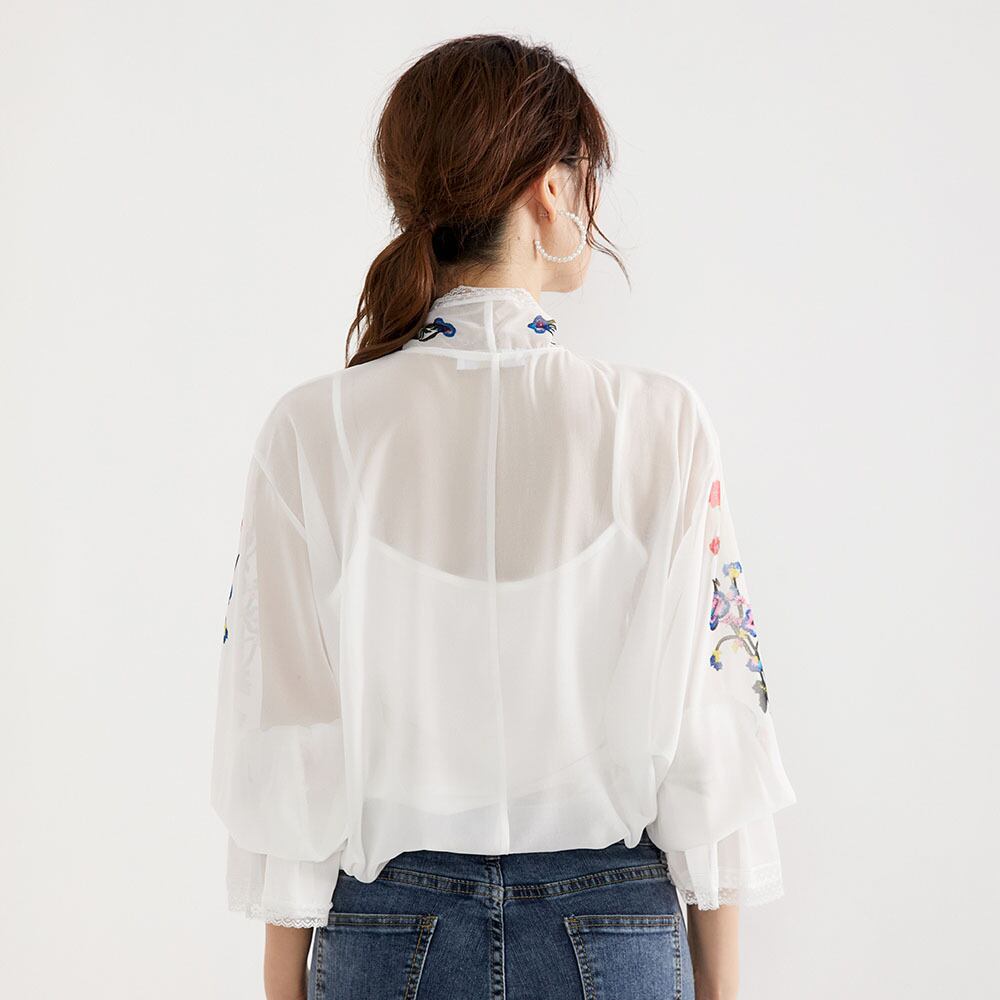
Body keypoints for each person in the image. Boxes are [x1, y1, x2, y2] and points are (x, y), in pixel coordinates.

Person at [210, 33, 797, 1000]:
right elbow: (711, 747)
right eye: (586, 173)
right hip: (610, 929)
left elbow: (286, 745)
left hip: (387, 932)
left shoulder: (314, 431)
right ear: (548, 189)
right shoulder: (657, 424)